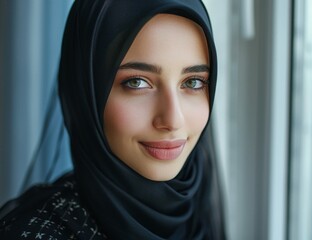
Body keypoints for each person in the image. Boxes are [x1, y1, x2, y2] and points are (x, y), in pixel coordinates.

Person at [0, 0, 226, 239]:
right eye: (137, 82)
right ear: (85, 91)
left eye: (193, 82)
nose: (173, 119)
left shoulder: (197, 209)